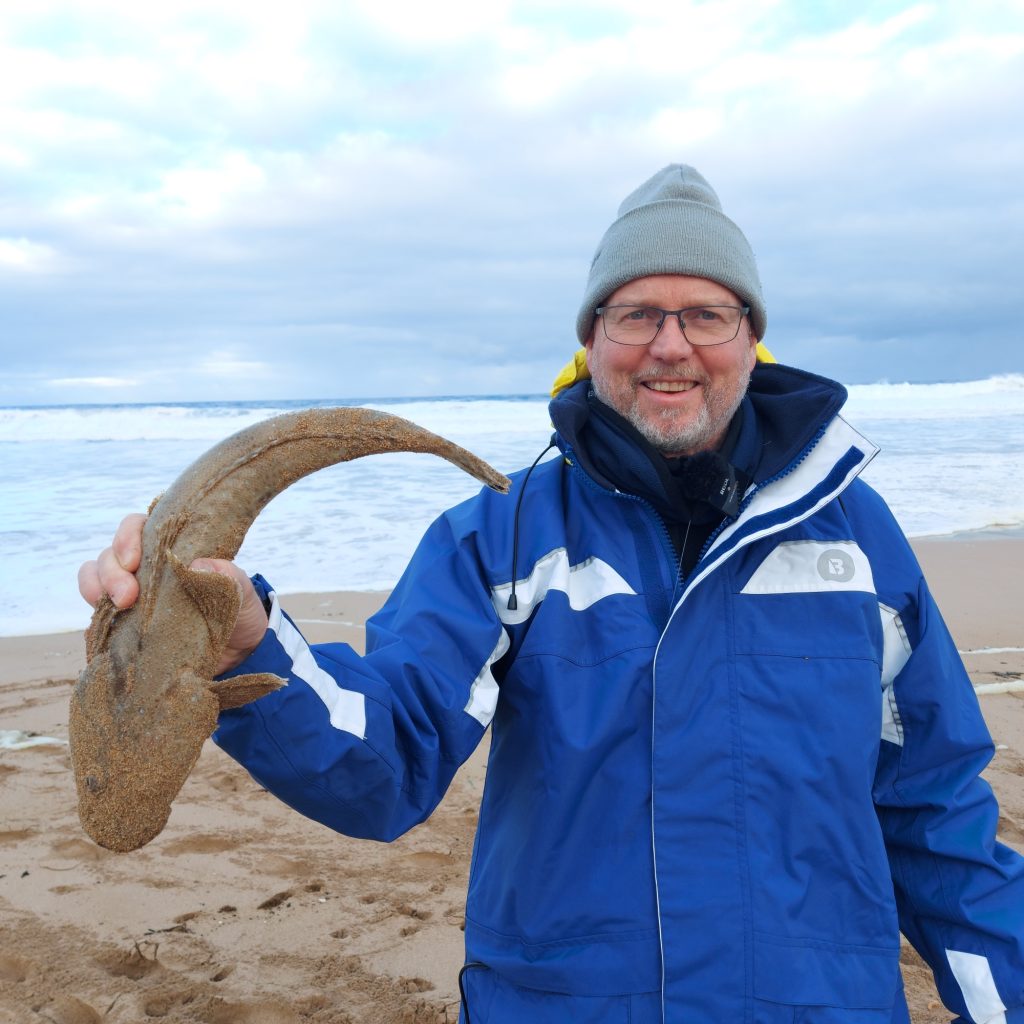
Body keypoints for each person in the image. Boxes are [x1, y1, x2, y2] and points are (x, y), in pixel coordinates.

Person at [79, 165, 1024, 1024]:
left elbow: (933, 808)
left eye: (705, 314)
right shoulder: (502, 536)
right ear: (590, 340)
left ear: (751, 339)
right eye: (635, 314)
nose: (670, 345)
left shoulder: (856, 541)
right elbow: (388, 764)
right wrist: (249, 642)